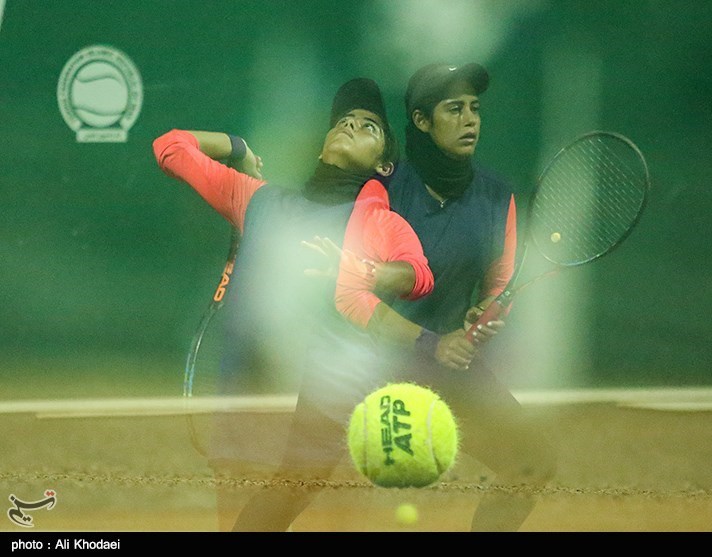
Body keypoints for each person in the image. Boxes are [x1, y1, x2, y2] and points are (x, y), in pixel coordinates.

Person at [153, 77, 452, 531]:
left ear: (384, 164)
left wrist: (369, 273)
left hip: (323, 422)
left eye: (368, 126)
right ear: (322, 146)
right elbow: (170, 148)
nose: (351, 123)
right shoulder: (258, 200)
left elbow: (418, 276)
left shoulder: (383, 223)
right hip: (247, 409)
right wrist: (237, 146)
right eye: (345, 121)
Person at [377, 62, 558, 532]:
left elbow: (500, 277)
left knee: (531, 463)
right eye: (454, 109)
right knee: (305, 481)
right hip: (371, 362)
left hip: (447, 363)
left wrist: (489, 309)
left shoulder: (497, 195)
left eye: (475, 109)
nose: (470, 119)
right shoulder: (384, 187)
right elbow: (349, 287)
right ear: (421, 120)